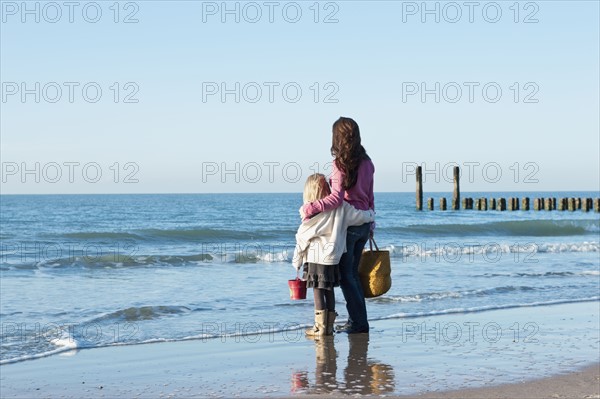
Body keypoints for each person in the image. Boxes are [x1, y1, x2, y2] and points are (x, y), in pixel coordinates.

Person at [300, 117, 375, 334]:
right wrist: (372, 224)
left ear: (337, 139)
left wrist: (312, 207)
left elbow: (336, 199)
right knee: (352, 275)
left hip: (348, 225)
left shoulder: (339, 164)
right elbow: (370, 196)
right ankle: (357, 321)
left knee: (347, 277)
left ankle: (359, 324)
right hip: (363, 223)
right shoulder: (368, 163)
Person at [293, 173, 374, 337]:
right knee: (329, 289)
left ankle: (320, 327)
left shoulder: (311, 212)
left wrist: (297, 260)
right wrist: (370, 216)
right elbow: (358, 216)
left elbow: (302, 237)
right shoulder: (341, 207)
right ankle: (329, 326)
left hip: (315, 258)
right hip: (333, 258)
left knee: (317, 290)